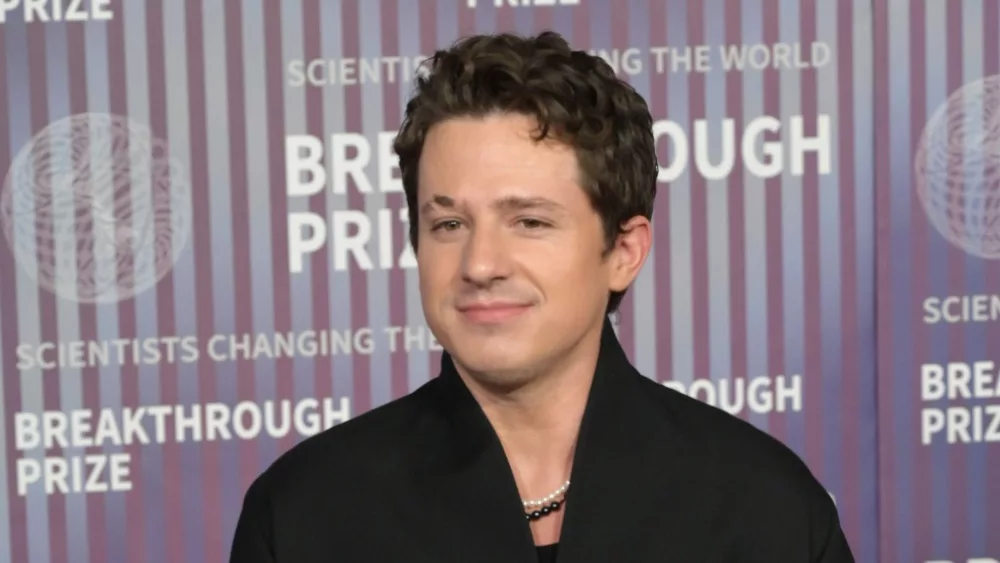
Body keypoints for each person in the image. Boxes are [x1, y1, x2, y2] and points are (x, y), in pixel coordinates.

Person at [229, 30, 855, 563]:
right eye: (448, 224)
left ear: (624, 251)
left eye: (529, 221)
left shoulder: (764, 510)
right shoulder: (304, 516)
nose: (479, 264)